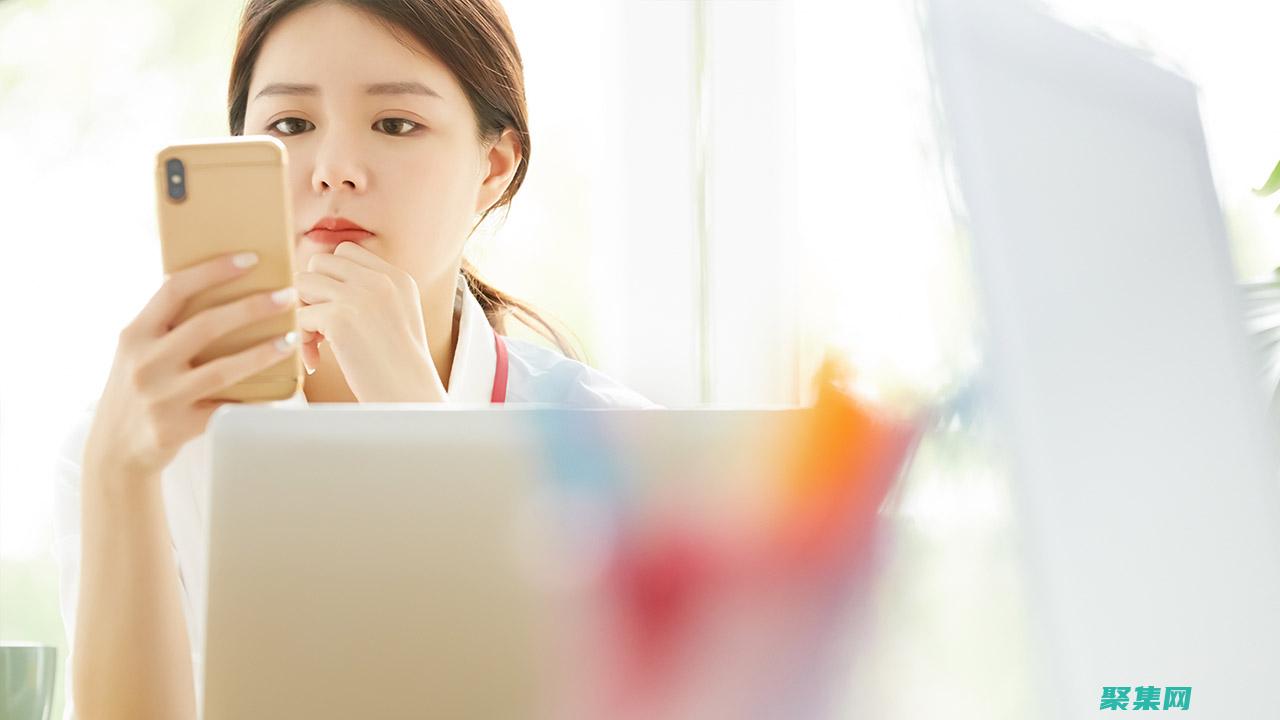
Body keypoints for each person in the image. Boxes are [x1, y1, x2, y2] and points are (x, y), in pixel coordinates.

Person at [53, 2, 657, 718]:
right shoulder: (145, 447)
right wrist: (116, 474)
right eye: (290, 125)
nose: (334, 170)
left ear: (493, 167)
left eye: (395, 124)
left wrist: (422, 431)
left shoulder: (618, 449)